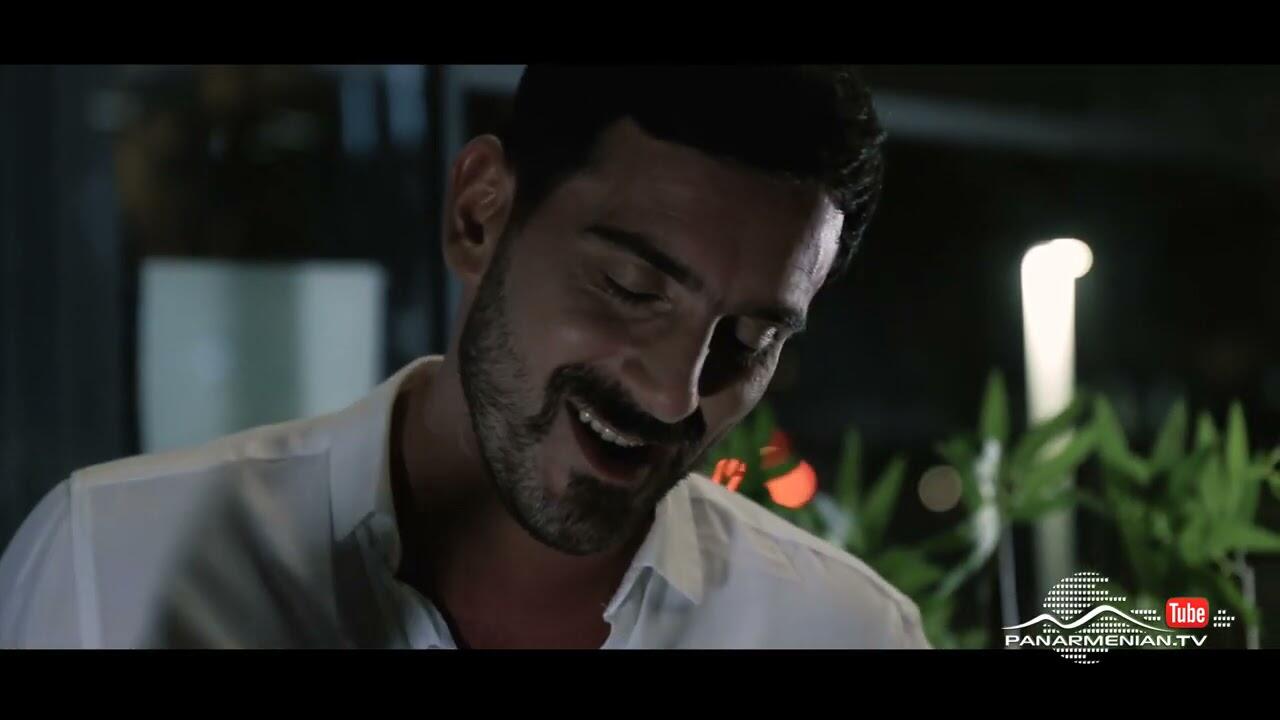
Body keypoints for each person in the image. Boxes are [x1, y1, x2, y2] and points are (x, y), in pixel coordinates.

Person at [0, 65, 929, 649]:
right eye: (632, 287)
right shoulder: (113, 557)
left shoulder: (843, 633)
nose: (676, 392)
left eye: (752, 338)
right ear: (479, 215)